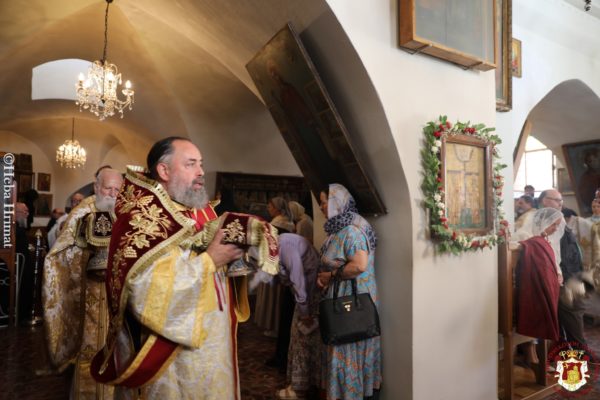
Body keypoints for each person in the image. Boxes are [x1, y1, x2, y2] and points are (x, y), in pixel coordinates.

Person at [90, 137, 250, 399]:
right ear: (164, 170)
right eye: (190, 164)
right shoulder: (142, 219)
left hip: (214, 345)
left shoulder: (203, 213)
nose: (201, 172)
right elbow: (145, 293)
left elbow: (221, 278)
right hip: (172, 361)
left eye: (201, 164)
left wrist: (241, 255)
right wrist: (210, 260)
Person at [42, 168, 123, 399]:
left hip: (117, 299)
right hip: (89, 297)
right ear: (96, 188)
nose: (113, 194)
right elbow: (61, 254)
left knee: (117, 353)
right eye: (108, 188)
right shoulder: (82, 212)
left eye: (117, 190)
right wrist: (86, 256)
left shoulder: (125, 212)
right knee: (91, 351)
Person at [316, 183, 381, 400]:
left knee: (347, 346)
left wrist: (331, 276)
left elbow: (359, 265)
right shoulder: (338, 230)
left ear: (337, 203)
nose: (321, 207)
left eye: (324, 202)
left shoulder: (351, 231)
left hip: (352, 304)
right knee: (342, 348)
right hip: (343, 298)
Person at [515, 208, 564, 363]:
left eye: (558, 225)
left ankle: (541, 359)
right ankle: (532, 357)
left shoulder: (546, 237)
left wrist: (558, 273)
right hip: (529, 285)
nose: (556, 229)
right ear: (544, 222)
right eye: (553, 225)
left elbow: (552, 260)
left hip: (545, 283)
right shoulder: (523, 235)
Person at [539, 189, 588, 344]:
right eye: (556, 200)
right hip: (564, 279)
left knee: (572, 316)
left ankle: (570, 352)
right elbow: (552, 250)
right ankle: (579, 353)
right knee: (573, 317)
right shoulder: (544, 220)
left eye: (561, 200)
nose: (561, 203)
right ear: (544, 201)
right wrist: (561, 275)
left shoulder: (557, 218)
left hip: (572, 275)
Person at [275, 233, 321, 399]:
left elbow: (297, 278)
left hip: (309, 295)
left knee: (301, 339)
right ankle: (305, 384)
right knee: (303, 340)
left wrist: (304, 311)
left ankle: (299, 388)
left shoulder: (285, 246)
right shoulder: (279, 244)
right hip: (306, 294)